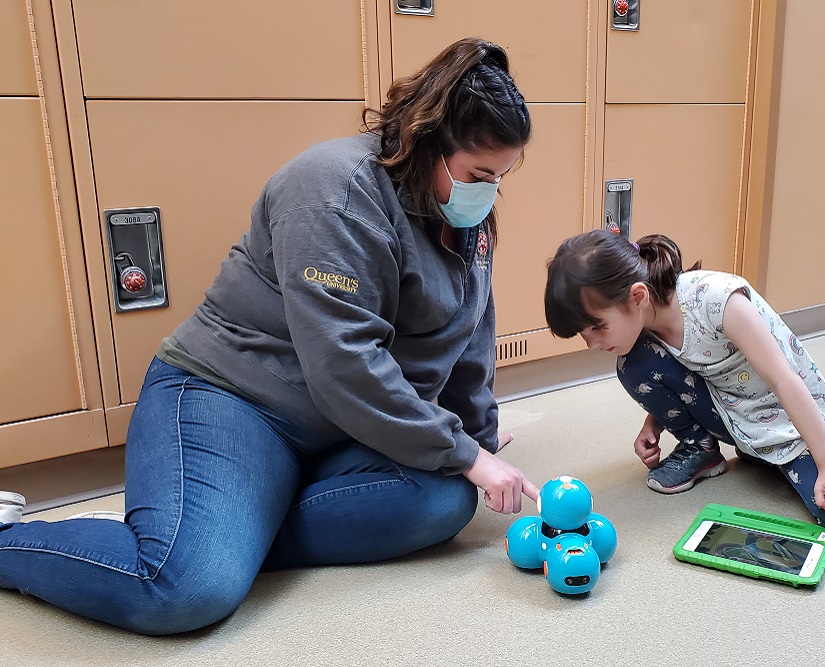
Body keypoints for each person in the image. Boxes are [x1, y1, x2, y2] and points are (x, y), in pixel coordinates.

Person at [0, 37, 538, 635]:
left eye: (499, 177)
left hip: (340, 421)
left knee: (442, 498)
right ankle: (10, 540)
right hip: (234, 397)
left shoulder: (463, 212)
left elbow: (470, 330)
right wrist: (465, 455)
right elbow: (345, 362)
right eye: (479, 174)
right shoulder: (334, 189)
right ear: (426, 140)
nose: (487, 194)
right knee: (182, 591)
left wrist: (478, 443)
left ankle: (233, 529)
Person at [543, 230, 825, 537]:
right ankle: (702, 450)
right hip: (731, 415)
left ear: (638, 296)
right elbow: (691, 369)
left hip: (791, 423)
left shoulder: (718, 301)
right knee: (633, 364)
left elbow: (784, 379)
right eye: (583, 334)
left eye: (597, 327)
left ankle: (780, 459)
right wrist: (654, 422)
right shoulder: (645, 325)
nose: (592, 343)